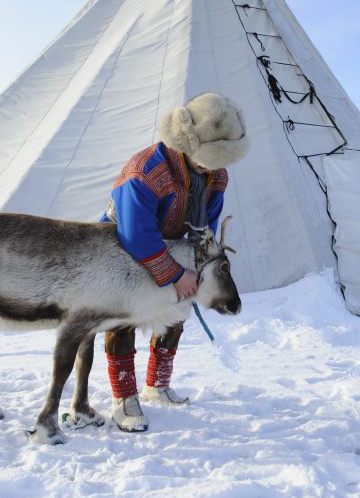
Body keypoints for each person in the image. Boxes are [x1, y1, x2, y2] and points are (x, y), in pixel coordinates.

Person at [100, 92, 249, 432]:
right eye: (207, 159)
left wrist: (196, 268)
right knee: (124, 319)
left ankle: (157, 384)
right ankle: (124, 397)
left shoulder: (217, 175)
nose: (212, 167)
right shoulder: (145, 172)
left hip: (178, 246)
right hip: (120, 250)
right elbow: (135, 235)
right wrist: (173, 273)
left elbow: (207, 225)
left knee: (177, 311)